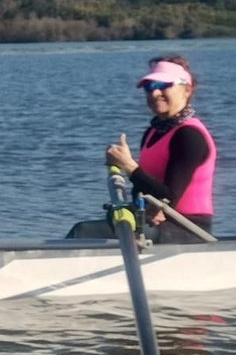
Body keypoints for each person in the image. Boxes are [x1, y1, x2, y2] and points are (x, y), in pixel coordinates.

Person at [91, 54, 216, 242]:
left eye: (163, 85)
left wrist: (129, 166)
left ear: (187, 90)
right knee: (101, 225)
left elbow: (168, 196)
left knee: (83, 232)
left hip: (190, 229)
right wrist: (142, 208)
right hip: (159, 223)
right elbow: (143, 188)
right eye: (149, 87)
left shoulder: (189, 136)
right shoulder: (153, 132)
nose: (155, 93)